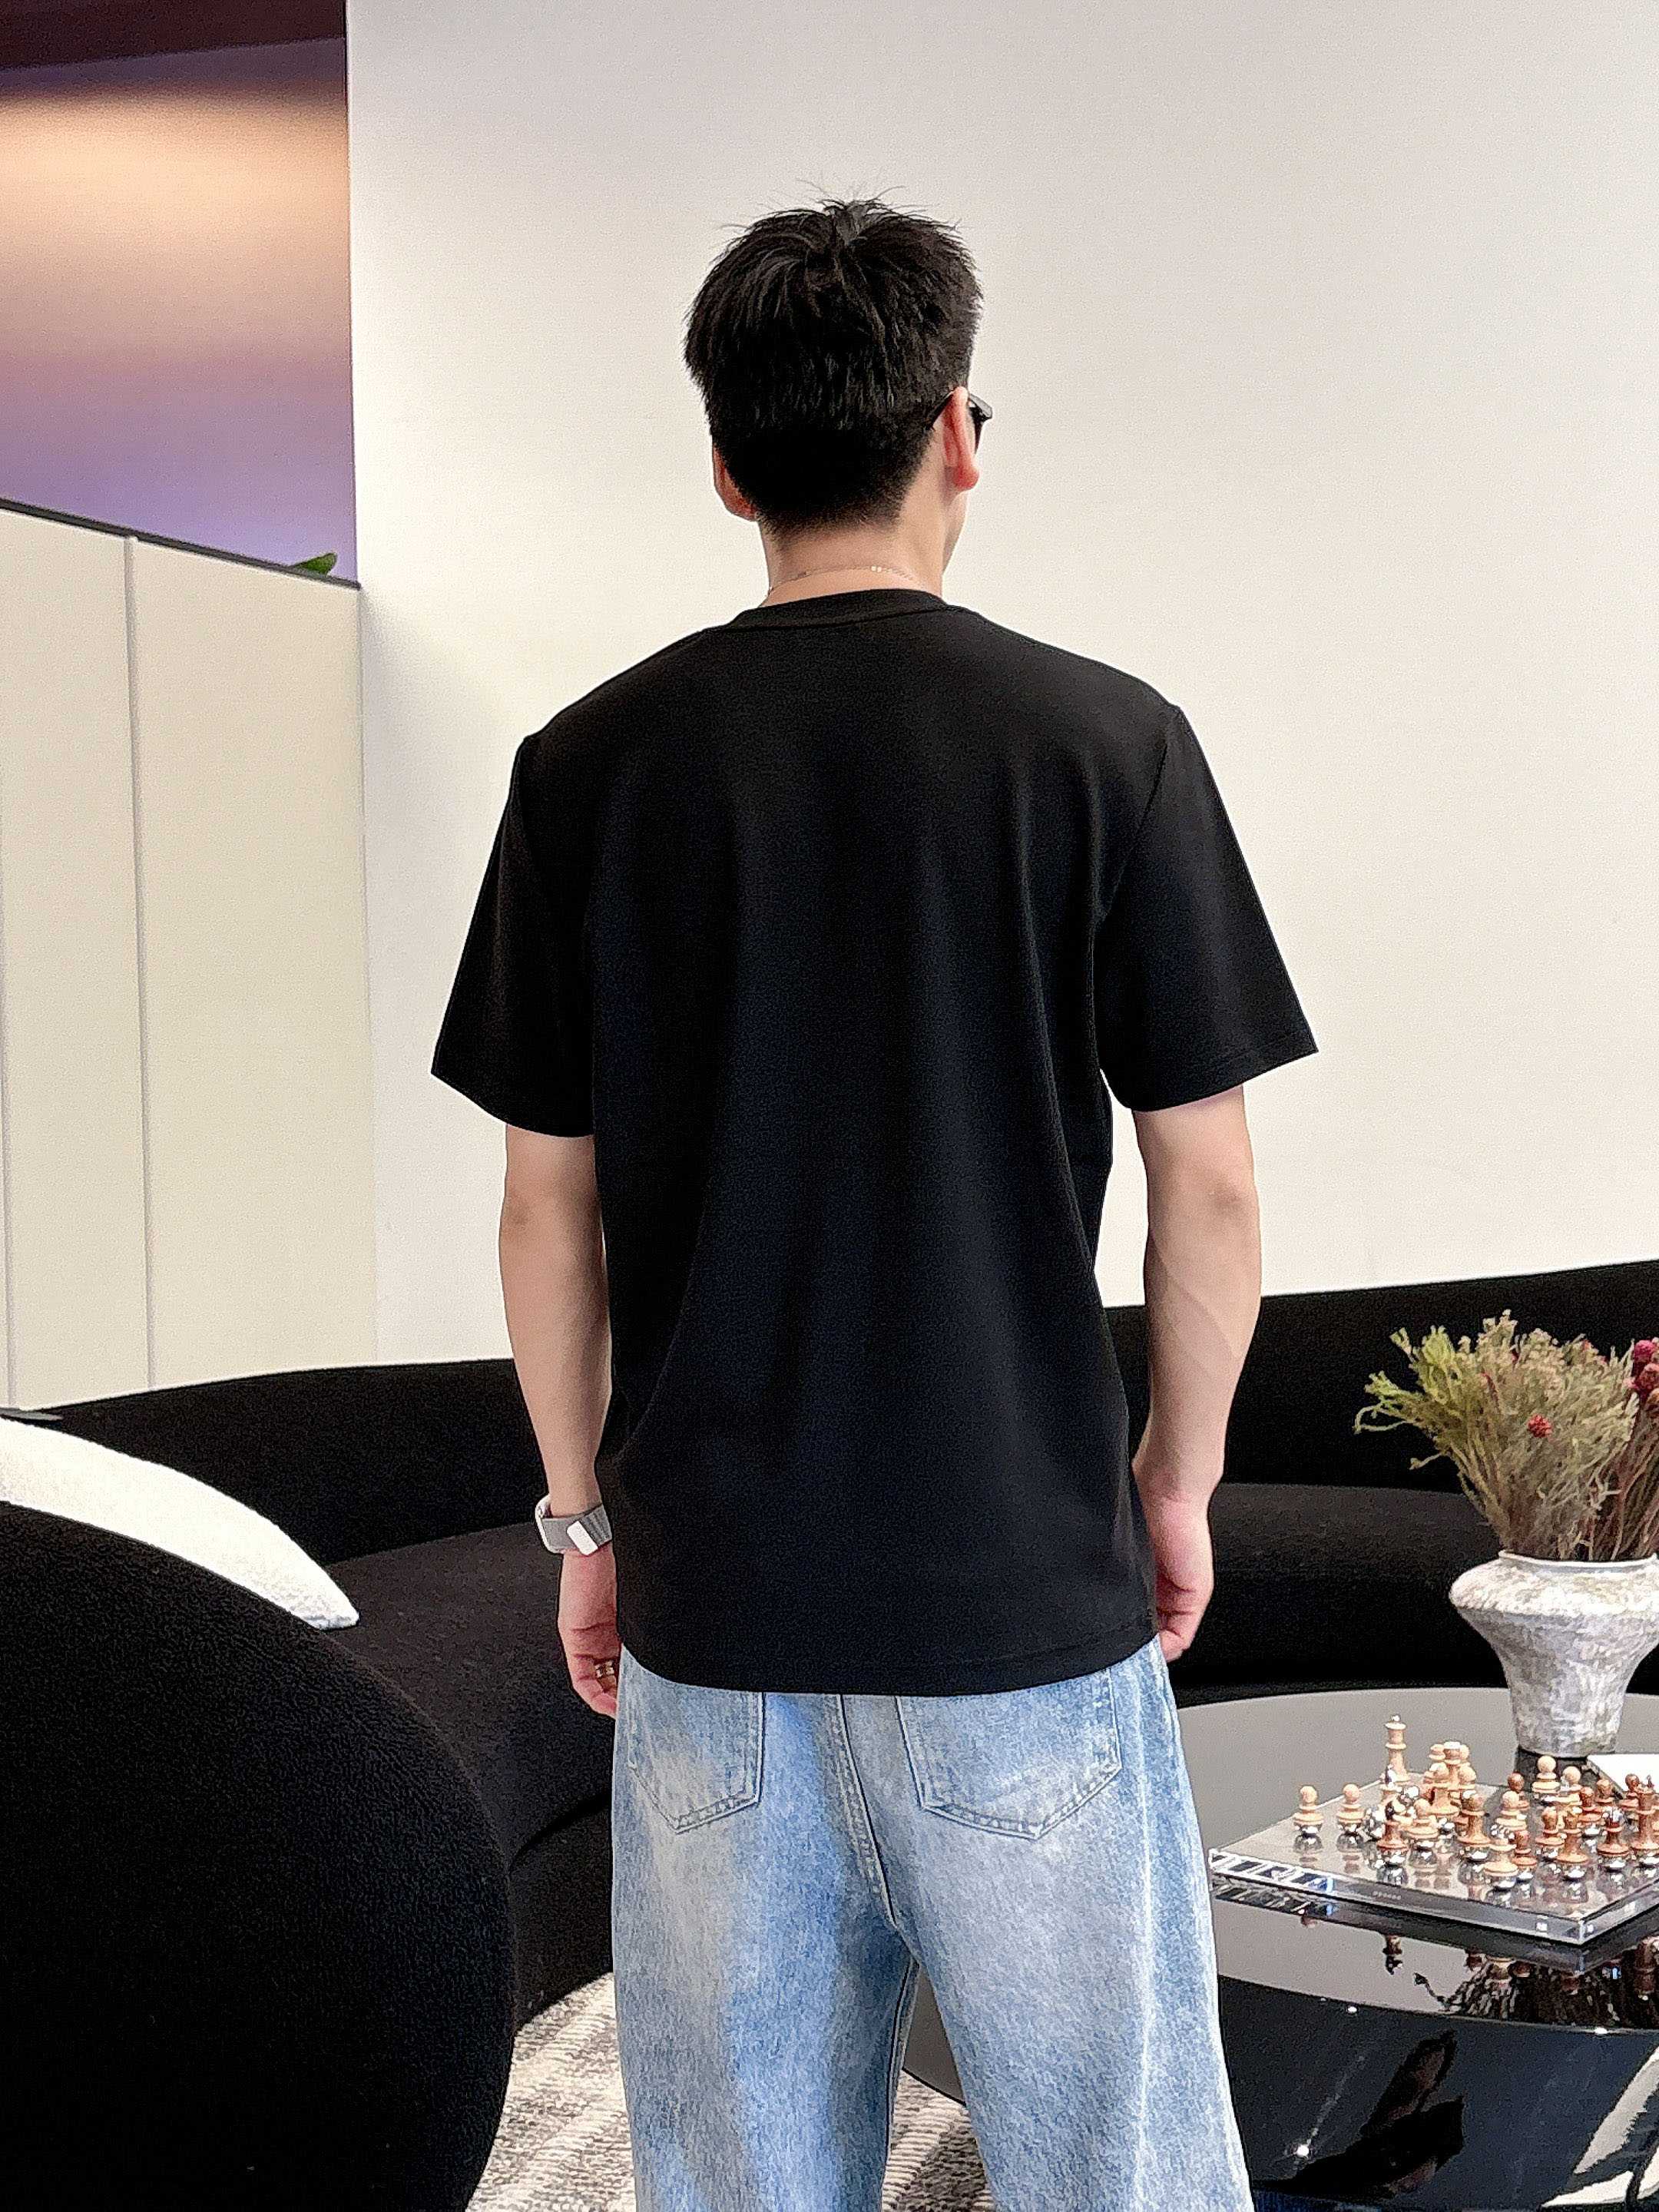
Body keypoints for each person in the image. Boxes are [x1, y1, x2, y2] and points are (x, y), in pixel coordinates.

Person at [432, 194, 1317, 2212]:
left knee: (743, 2182)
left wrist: (582, 1517)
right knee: (1120, 2177)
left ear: (727, 466)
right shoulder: (1108, 744)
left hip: (715, 1614)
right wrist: (1175, 1482)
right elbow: (1209, 1182)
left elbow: (547, 1212)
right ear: (956, 437)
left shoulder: (588, 769)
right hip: (1019, 1600)